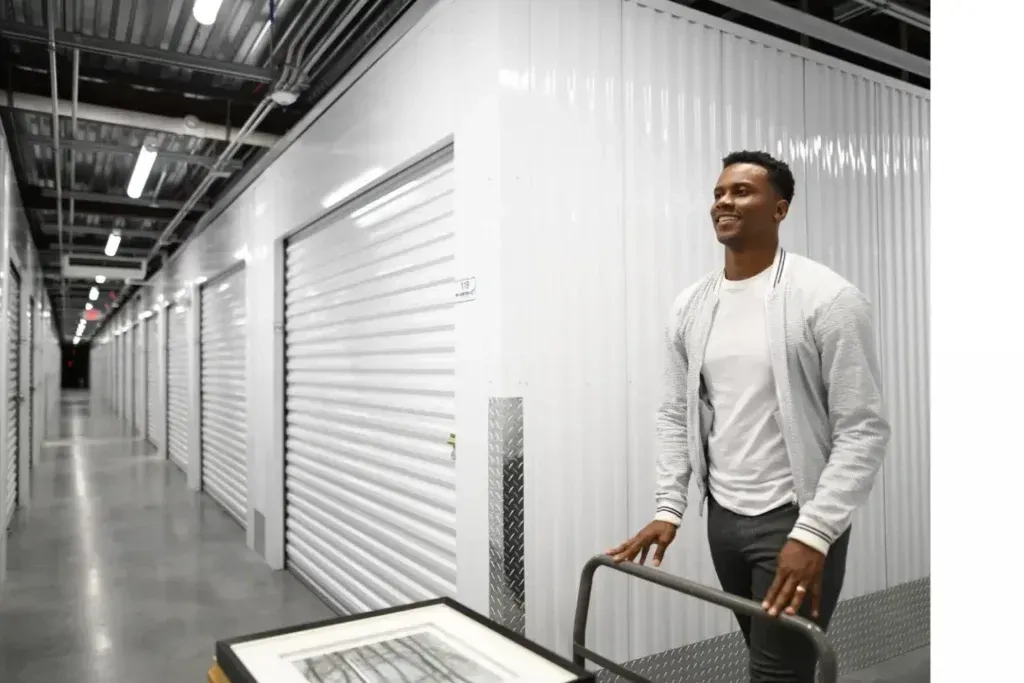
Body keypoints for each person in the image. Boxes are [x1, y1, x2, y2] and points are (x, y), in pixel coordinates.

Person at [606, 151, 890, 683]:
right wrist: (670, 507)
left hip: (793, 518)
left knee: (777, 672)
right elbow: (675, 413)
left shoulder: (827, 298)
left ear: (779, 209)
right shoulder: (692, 305)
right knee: (765, 655)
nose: (723, 202)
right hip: (725, 519)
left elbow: (863, 429)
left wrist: (815, 532)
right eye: (718, 193)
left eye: (741, 191)